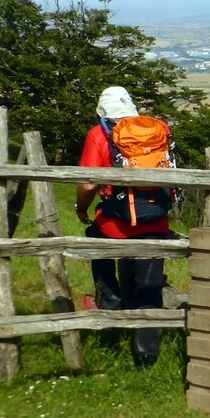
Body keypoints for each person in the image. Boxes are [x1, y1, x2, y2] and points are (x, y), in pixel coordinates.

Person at [74, 85, 179, 369]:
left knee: (94, 237)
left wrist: (81, 208)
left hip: (115, 225)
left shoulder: (99, 134)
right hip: (155, 222)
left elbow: (87, 184)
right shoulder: (157, 130)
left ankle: (111, 305)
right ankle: (146, 358)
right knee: (149, 286)